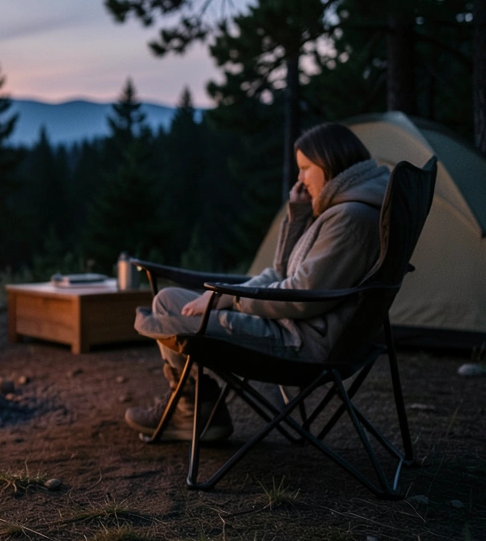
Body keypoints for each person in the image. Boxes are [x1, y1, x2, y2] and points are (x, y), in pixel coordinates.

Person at [124, 123, 390, 441]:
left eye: (306, 168)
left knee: (168, 315)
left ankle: (195, 411)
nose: (300, 178)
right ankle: (198, 408)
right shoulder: (343, 210)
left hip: (298, 341)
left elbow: (302, 296)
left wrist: (227, 298)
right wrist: (298, 217)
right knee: (168, 301)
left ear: (330, 163)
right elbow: (283, 272)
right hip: (292, 326)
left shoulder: (350, 218)